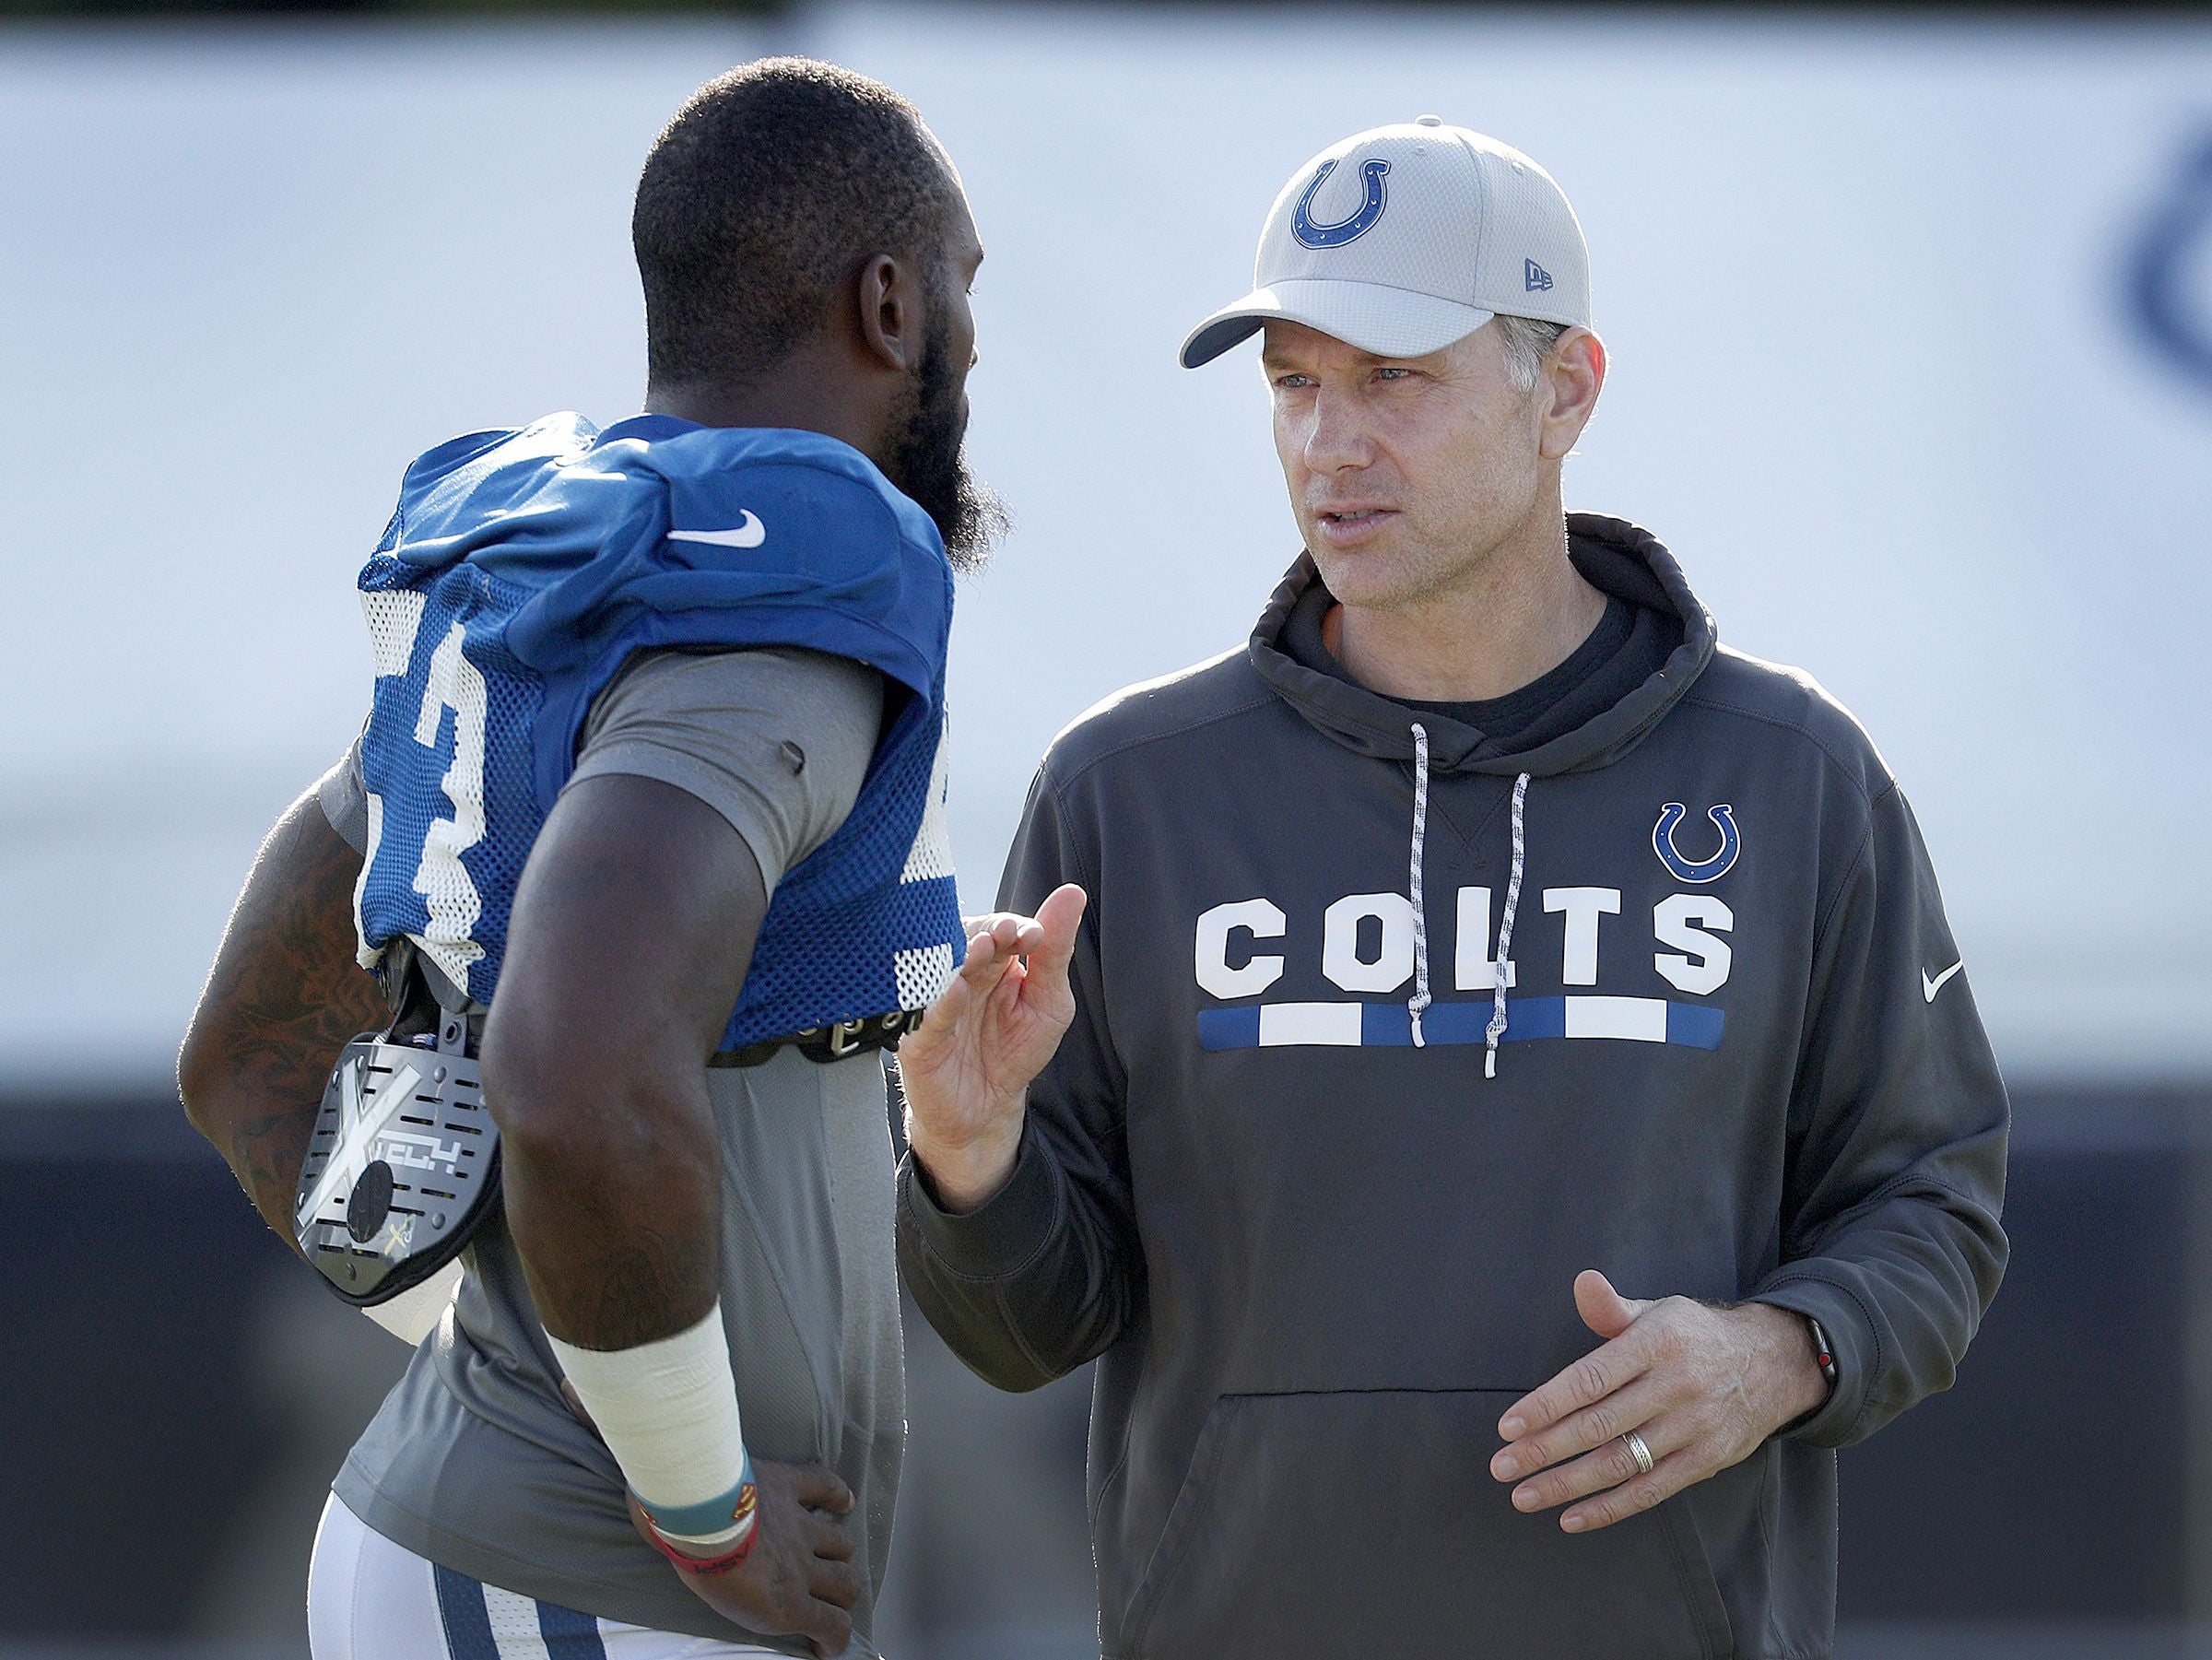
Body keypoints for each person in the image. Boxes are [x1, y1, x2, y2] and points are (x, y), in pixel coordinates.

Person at [893, 118, 2008, 1658]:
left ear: (1567, 393)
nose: (1326, 444)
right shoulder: (1129, 795)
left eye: (1393, 378)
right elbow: (1031, 1327)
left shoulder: (1793, 777)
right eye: (1293, 380)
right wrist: (968, 1161)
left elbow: (1934, 1198)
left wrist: (1780, 1349)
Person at [177, 58, 998, 1660]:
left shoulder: (556, 584)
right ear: (891, 304)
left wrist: (508, 1343)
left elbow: (245, 1053)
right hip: (598, 1585)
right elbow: (572, 1066)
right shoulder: (785, 596)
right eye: (969, 291)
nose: (978, 342)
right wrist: (699, 1503)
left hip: (488, 1546)